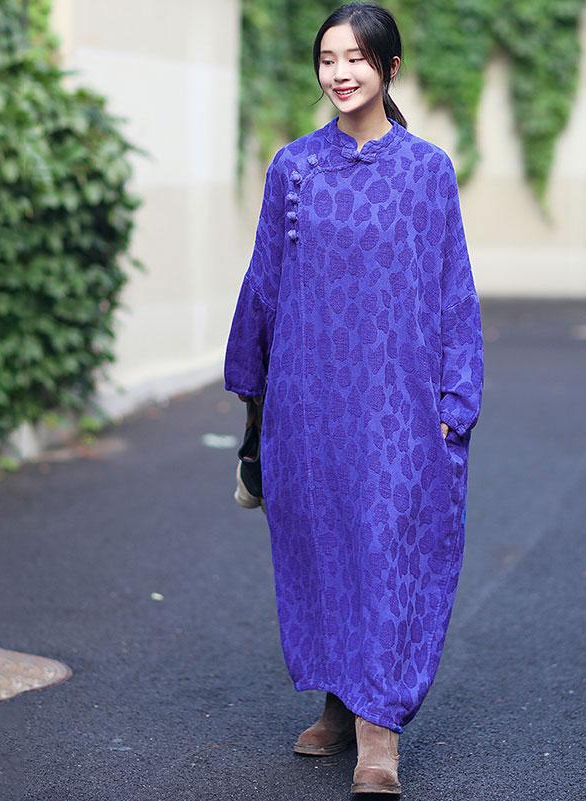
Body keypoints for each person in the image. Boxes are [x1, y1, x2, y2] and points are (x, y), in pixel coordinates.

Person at [224, 2, 484, 795]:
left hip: (399, 406)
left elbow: (453, 287)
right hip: (310, 404)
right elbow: (265, 282)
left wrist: (457, 397)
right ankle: (340, 703)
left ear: (390, 68)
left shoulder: (428, 170)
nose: (340, 73)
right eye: (328, 58)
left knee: (385, 546)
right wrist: (251, 391)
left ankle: (379, 731)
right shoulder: (294, 168)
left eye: (357, 58)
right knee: (324, 547)